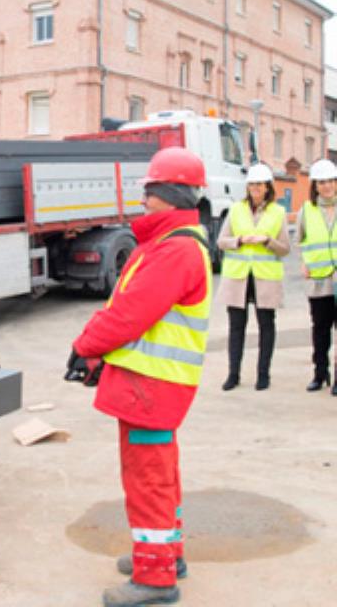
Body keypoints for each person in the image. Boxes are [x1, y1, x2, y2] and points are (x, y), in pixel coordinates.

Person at [70, 147, 212, 607]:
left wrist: (85, 346)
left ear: (170, 195)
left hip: (150, 390)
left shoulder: (175, 250)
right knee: (161, 472)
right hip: (152, 386)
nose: (144, 200)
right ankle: (166, 553)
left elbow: (130, 314)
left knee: (147, 478)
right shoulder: (174, 244)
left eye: (151, 192)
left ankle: (155, 578)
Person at [216, 163, 288, 391]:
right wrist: (239, 241)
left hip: (265, 279)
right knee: (236, 327)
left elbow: (285, 248)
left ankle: (263, 374)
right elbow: (221, 241)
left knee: (266, 326)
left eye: (260, 184)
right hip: (238, 278)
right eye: (252, 184)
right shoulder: (236, 209)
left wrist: (267, 241)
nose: (255, 188)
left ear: (268, 187)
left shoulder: (278, 212)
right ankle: (233, 374)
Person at [297, 158, 337, 394]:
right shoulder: (307, 210)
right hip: (319, 280)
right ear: (315, 186)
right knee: (320, 329)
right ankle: (320, 373)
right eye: (322, 182)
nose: (327, 186)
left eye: (331, 181)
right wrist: (304, 262)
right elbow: (300, 239)